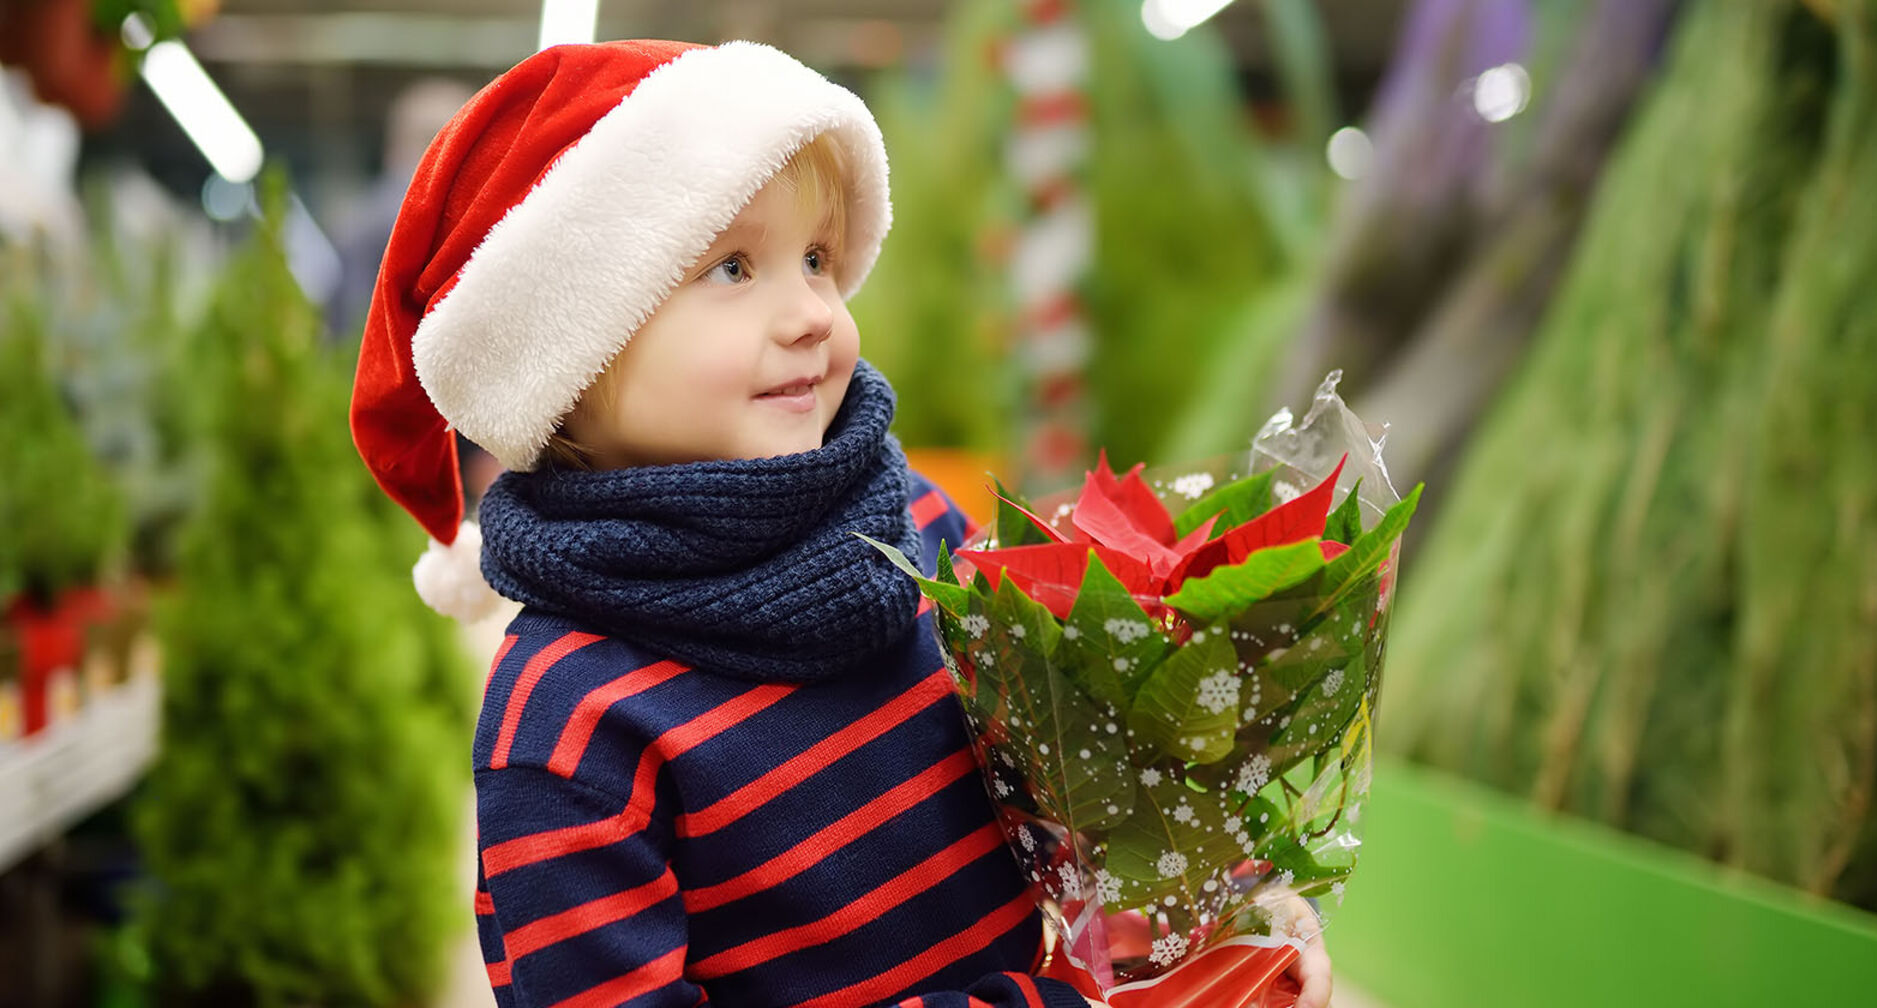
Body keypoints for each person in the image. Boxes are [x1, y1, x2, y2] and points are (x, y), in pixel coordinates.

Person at [349, 39, 1330, 1008]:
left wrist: (1199, 920)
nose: (814, 311)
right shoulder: (569, 721)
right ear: (566, 360)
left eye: (816, 258)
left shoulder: (929, 534)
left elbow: (1076, 814)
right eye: (733, 268)